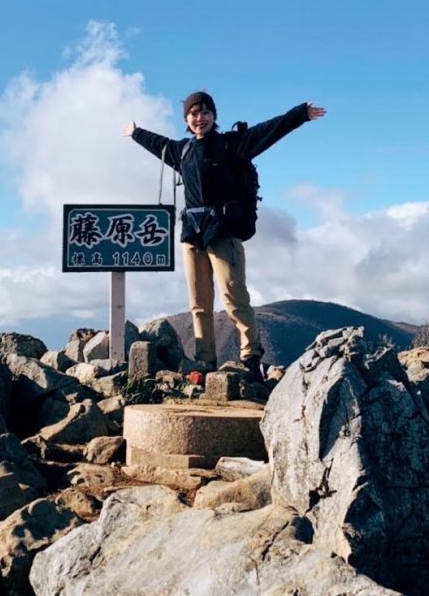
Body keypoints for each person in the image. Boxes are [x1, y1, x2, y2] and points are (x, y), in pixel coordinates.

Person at [123, 91, 326, 381]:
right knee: (199, 303)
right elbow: (158, 144)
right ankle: (205, 360)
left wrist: (299, 115)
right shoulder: (181, 152)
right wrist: (135, 133)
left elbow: (268, 131)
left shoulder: (231, 145)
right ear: (186, 119)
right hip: (192, 235)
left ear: (214, 116)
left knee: (233, 297)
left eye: (205, 112)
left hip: (223, 232)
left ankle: (251, 357)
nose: (200, 118)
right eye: (194, 113)